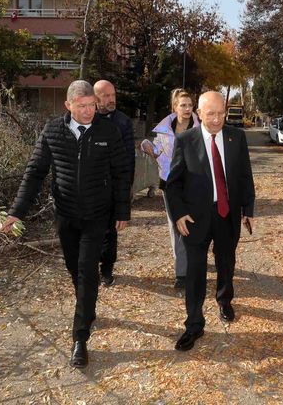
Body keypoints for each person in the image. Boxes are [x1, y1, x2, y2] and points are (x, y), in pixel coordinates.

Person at [0, 80, 131, 369]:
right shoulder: (53, 131)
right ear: (68, 105)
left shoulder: (107, 131)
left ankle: (79, 338)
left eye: (92, 105)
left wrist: (122, 210)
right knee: (76, 269)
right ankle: (87, 307)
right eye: (82, 106)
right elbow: (35, 172)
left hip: (98, 215)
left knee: (86, 271)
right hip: (66, 215)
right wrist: (16, 212)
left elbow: (122, 172)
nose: (88, 111)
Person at [165, 91, 255, 352]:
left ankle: (224, 300)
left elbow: (245, 175)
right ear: (199, 114)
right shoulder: (185, 140)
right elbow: (173, 184)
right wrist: (179, 213)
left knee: (226, 261)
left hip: (227, 213)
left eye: (221, 113)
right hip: (195, 217)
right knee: (195, 272)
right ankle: (194, 324)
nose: (217, 119)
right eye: (211, 114)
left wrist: (248, 208)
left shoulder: (236, 137)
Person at [140, 89, 200, 291]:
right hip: (170, 184)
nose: (187, 108)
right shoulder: (165, 130)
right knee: (176, 227)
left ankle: (194, 260)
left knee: (195, 223)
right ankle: (182, 273)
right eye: (183, 105)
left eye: (190, 105)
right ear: (174, 107)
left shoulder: (201, 128)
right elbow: (158, 152)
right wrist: (147, 145)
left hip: (195, 184)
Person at [94, 80, 136, 287]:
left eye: (113, 95)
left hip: (113, 187)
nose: (111, 100)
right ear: (95, 98)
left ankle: (106, 270)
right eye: (106, 96)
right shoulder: (87, 119)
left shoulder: (123, 122)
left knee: (110, 232)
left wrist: (127, 188)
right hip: (90, 187)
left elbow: (129, 158)